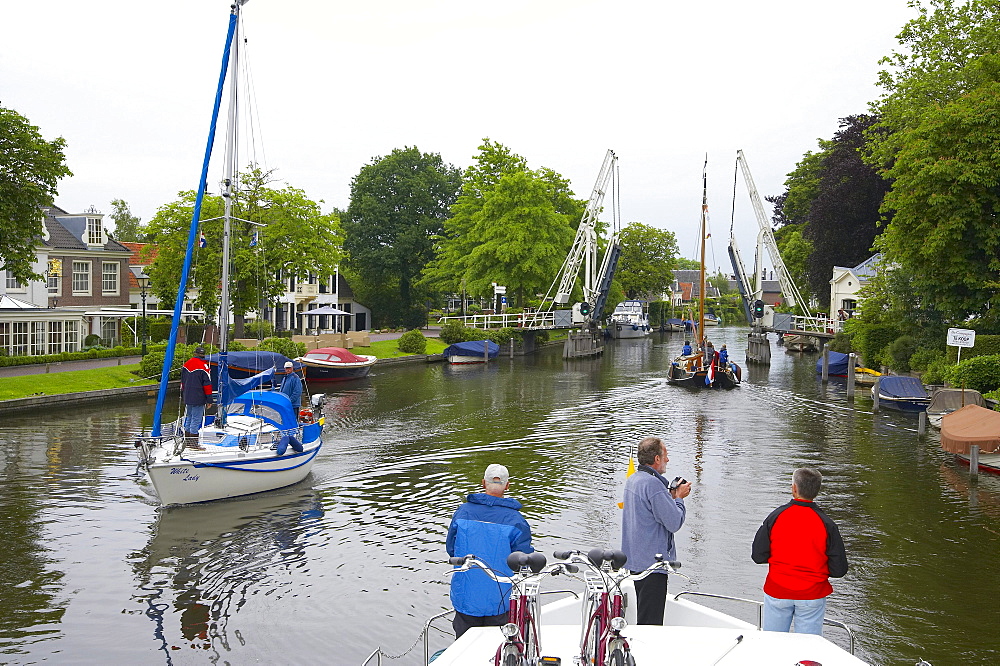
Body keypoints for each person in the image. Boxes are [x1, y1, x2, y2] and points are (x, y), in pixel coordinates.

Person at [751, 468, 848, 635]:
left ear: (794, 488)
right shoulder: (827, 523)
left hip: (778, 590)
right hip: (812, 594)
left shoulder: (776, 516)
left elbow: (758, 556)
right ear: (817, 491)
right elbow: (839, 569)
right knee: (807, 649)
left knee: (773, 644)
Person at [446, 464, 533, 639]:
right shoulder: (516, 521)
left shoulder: (462, 512)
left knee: (465, 647)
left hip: (467, 597)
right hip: (502, 600)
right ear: (507, 486)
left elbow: (451, 549)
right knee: (497, 648)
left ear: (483, 483)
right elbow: (524, 561)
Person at [621, 437, 690, 625]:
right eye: (665, 455)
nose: (668, 460)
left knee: (644, 614)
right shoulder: (653, 485)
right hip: (653, 565)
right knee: (651, 622)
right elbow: (674, 522)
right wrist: (679, 498)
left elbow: (651, 512)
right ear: (657, 459)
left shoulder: (633, 480)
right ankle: (645, 653)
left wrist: (670, 496)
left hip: (636, 561)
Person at [180, 346, 212, 447]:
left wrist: (184, 394)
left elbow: (182, 382)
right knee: (196, 419)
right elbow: (207, 385)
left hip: (188, 396)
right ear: (203, 356)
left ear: (195, 354)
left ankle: (187, 441)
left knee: (189, 417)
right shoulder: (204, 367)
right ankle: (194, 444)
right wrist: (209, 399)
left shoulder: (186, 365)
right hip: (199, 397)